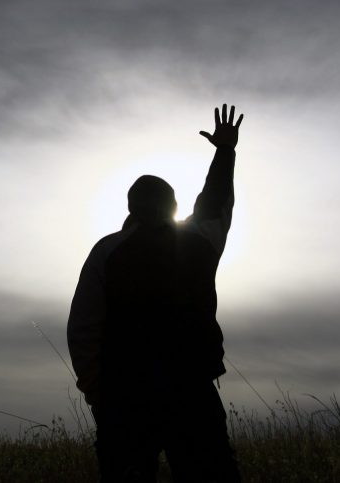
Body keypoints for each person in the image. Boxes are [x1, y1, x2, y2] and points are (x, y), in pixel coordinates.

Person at [68, 104, 244, 482]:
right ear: (174, 206)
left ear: (131, 207)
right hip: (191, 392)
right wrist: (225, 151)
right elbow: (215, 203)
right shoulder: (199, 241)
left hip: (124, 396)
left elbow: (83, 327)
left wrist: (97, 392)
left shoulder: (106, 251)